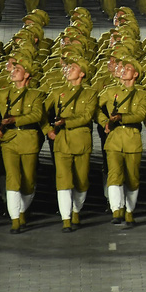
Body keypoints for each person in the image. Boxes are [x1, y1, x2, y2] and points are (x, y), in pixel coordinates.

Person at [0, 55, 44, 234]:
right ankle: (15, 219)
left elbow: (37, 115)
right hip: (9, 140)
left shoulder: (36, 95)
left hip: (28, 139)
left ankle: (22, 210)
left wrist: (16, 119)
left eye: (17, 70)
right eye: (13, 69)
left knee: (28, 180)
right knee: (12, 178)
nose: (13, 72)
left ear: (27, 74)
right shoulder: (3, 94)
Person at [45, 57, 98, 232]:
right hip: (62, 141)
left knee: (81, 181)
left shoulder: (90, 93)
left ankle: (76, 210)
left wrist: (65, 122)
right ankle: (66, 218)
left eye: (73, 68)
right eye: (68, 68)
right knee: (63, 180)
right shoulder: (57, 91)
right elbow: (41, 112)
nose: (68, 70)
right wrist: (48, 129)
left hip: (81, 141)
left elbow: (87, 116)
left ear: (82, 73)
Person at [99, 55, 146, 227]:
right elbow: (95, 109)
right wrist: (104, 121)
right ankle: (116, 209)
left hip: (132, 139)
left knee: (132, 178)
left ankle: (129, 210)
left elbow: (141, 114)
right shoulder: (110, 91)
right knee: (114, 174)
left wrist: (122, 117)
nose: (124, 71)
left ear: (136, 74)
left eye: (128, 69)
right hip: (114, 139)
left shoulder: (142, 94)